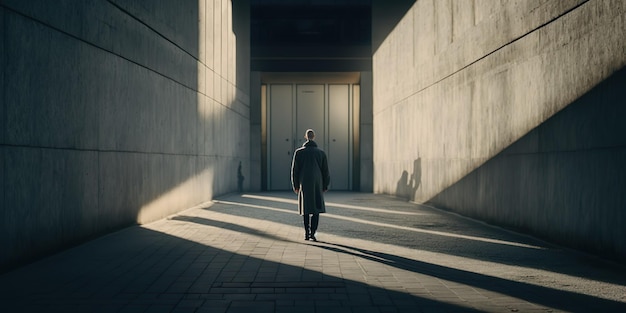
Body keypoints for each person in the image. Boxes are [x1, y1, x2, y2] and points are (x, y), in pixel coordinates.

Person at [291, 129, 330, 241]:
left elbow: (295, 170)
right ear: (314, 137)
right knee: (316, 209)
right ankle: (313, 233)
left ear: (305, 137)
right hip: (318, 183)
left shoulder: (299, 152)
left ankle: (306, 234)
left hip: (304, 183)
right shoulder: (321, 153)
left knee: (306, 209)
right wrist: (326, 185)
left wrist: (295, 185)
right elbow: (325, 171)